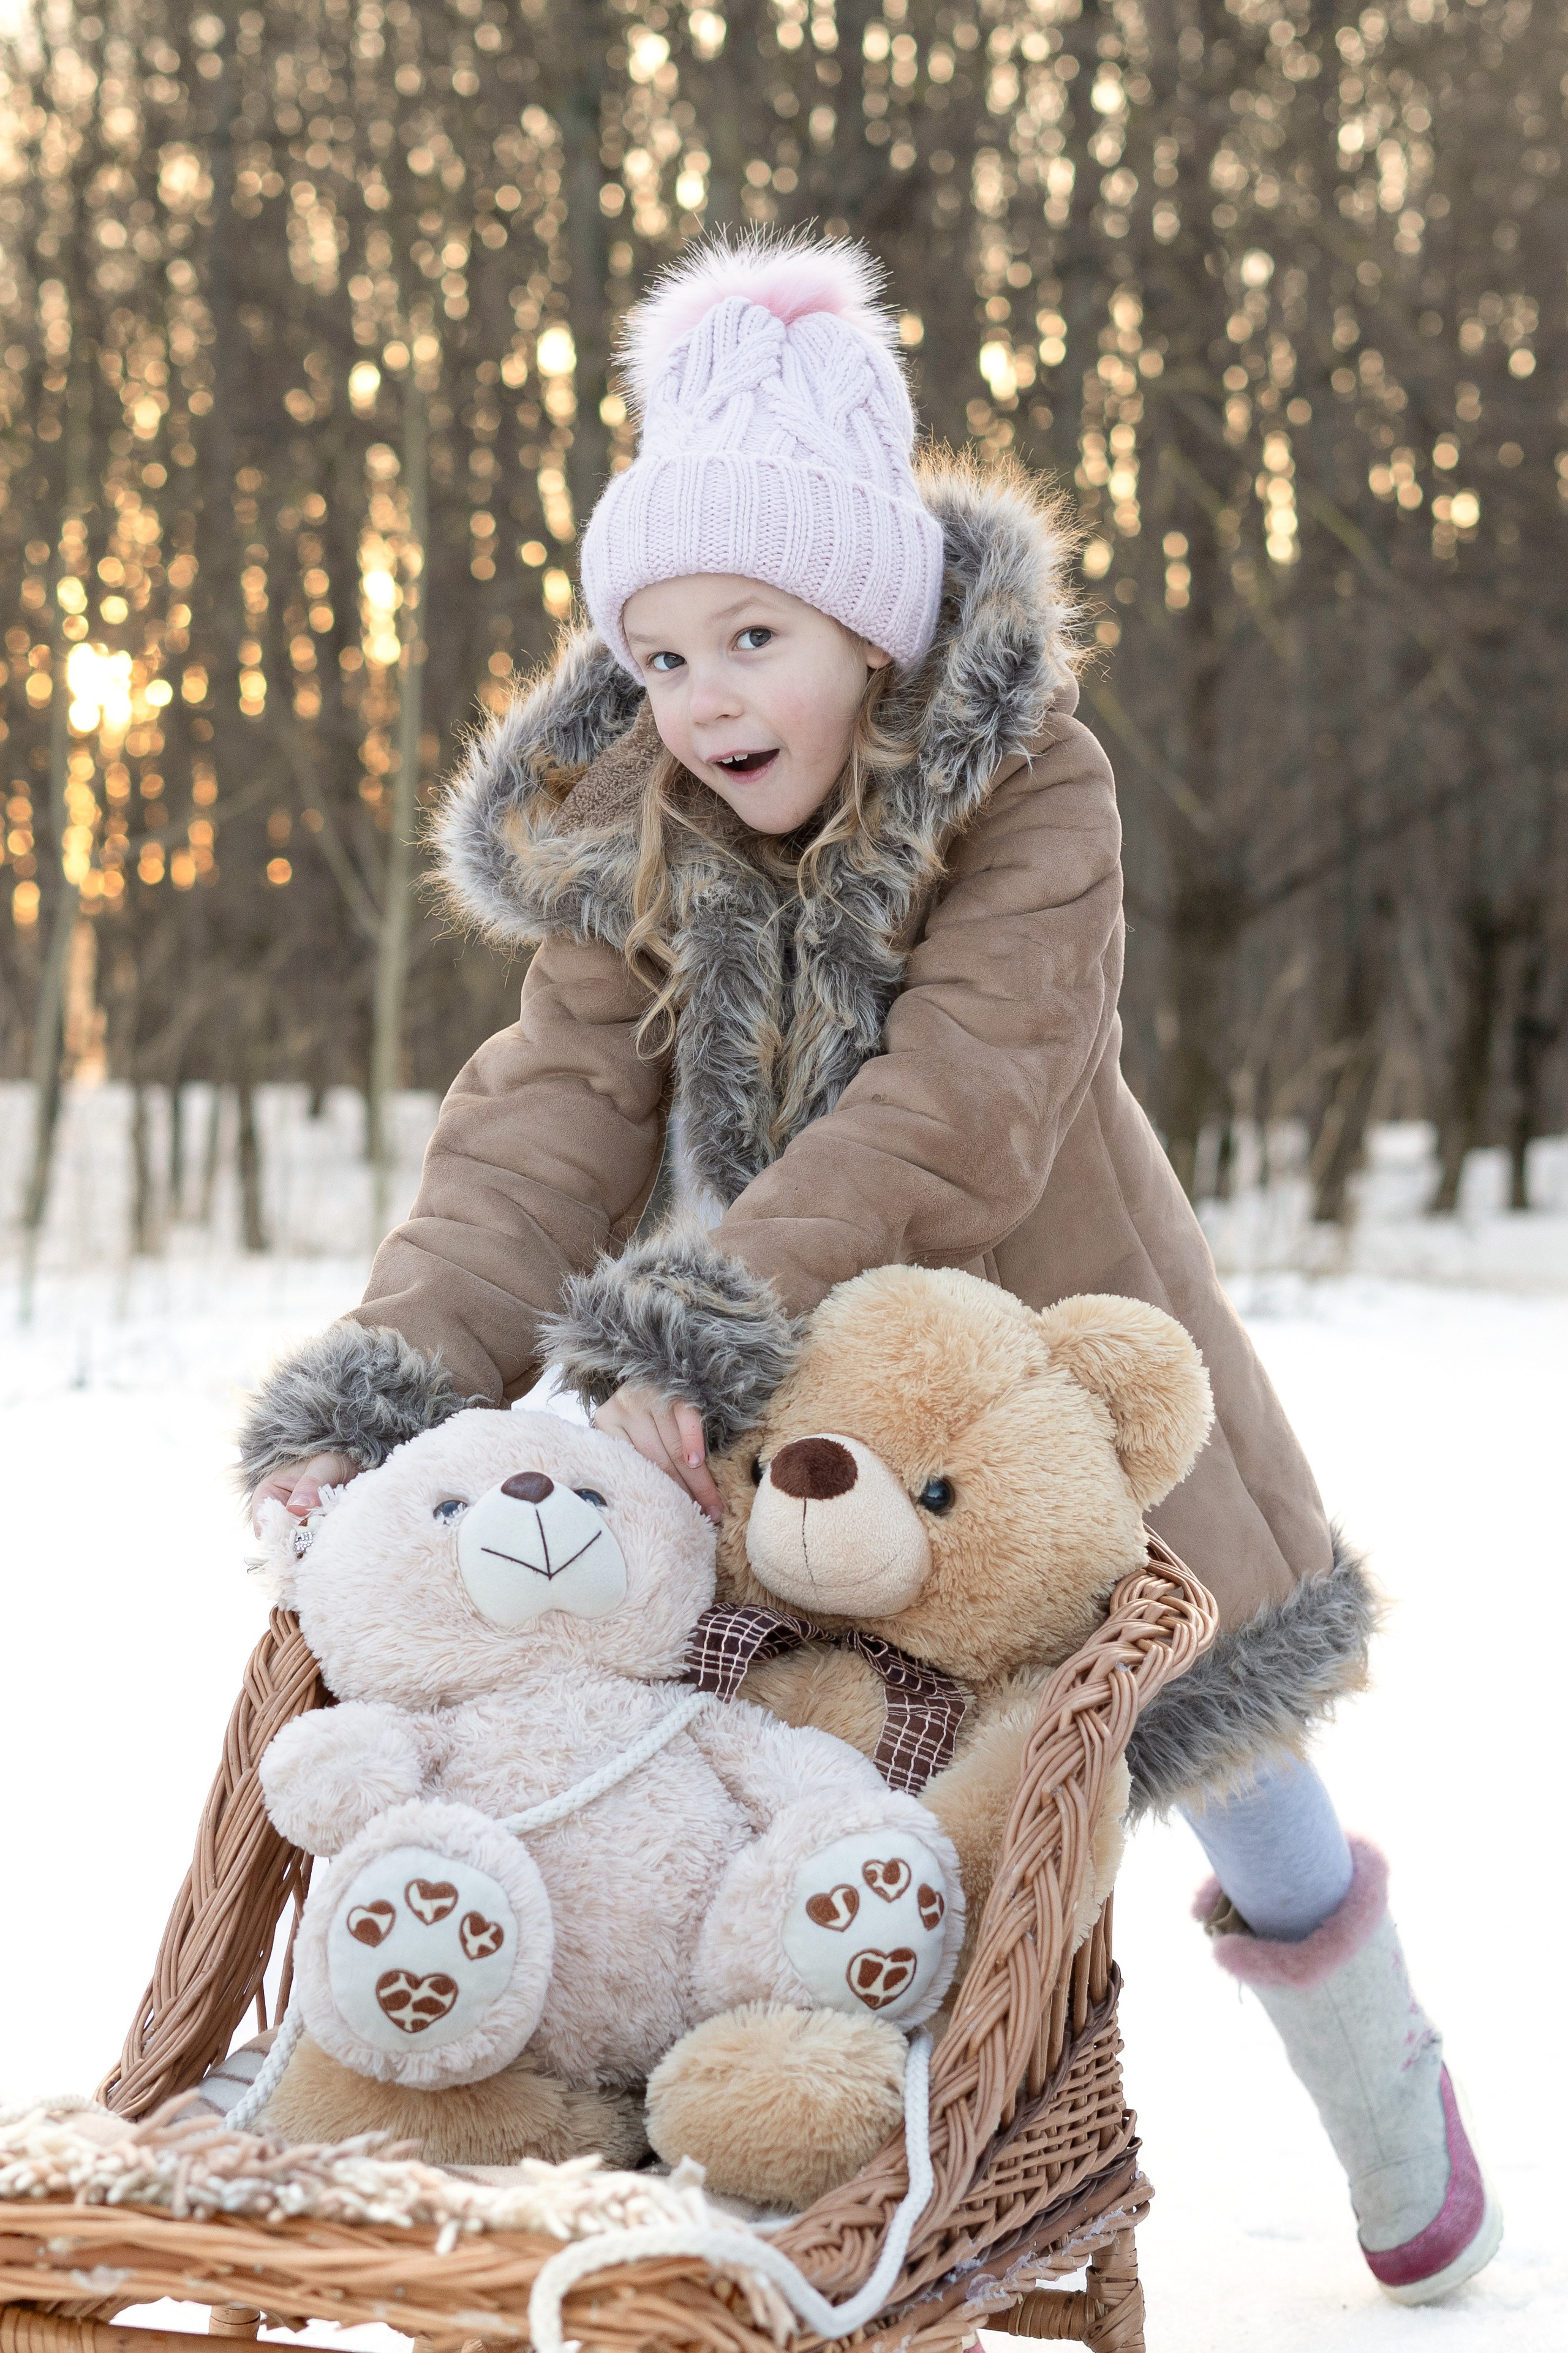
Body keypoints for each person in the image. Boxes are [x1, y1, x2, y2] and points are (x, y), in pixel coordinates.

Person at [241, 235, 1497, 2300]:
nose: (708, 695)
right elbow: (545, 1115)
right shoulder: (650, 840)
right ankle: (827, 2150)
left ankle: (1389, 2099)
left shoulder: (1030, 794)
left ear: (877, 631)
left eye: (755, 633)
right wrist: (390, 1385)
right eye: (658, 657)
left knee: (1222, 1744)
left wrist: (706, 1305)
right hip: (797, 1407)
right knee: (832, 1772)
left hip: (1061, 1374)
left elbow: (960, 1106)